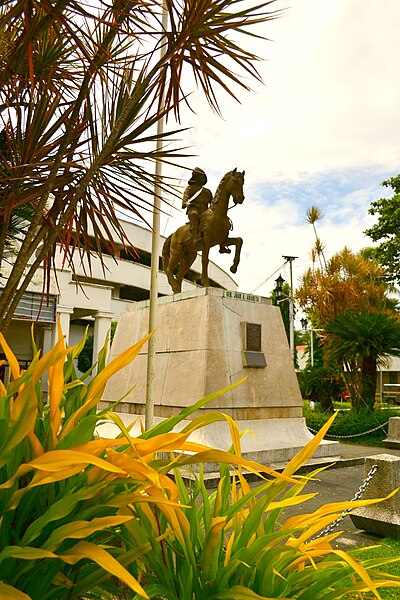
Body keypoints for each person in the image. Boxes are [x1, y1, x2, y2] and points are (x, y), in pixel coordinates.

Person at [182, 167, 230, 253]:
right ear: (196, 178)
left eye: (203, 177)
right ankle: (196, 237)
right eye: (201, 177)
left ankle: (222, 244)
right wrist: (184, 202)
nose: (202, 178)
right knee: (194, 214)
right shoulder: (190, 188)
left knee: (220, 220)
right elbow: (186, 196)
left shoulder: (207, 191)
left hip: (205, 211)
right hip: (194, 209)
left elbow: (213, 202)